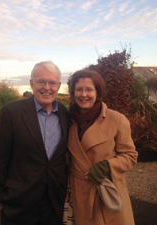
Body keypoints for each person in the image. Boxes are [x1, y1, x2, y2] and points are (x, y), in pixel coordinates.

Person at [0, 61, 70, 225]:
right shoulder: (11, 112)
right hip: (18, 203)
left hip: (54, 202)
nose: (47, 87)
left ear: (59, 86)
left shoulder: (65, 114)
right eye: (41, 81)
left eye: (52, 83)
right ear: (32, 84)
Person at [67, 69, 138, 225]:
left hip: (106, 192)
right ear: (73, 92)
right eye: (79, 89)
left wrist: (106, 166)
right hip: (79, 193)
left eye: (89, 89)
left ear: (97, 92)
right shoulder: (66, 120)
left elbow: (130, 156)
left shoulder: (116, 119)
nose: (83, 94)